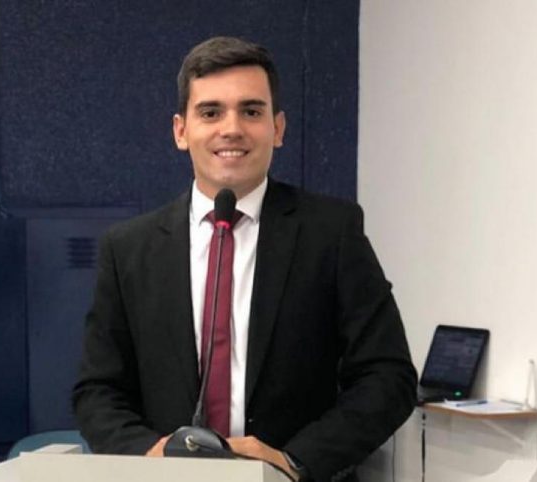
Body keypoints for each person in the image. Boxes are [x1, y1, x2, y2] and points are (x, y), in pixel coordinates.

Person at [72, 36, 417, 482]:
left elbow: (388, 377)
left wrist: (294, 461)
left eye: (251, 111)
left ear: (278, 128)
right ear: (181, 131)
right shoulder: (128, 249)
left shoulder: (332, 232)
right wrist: (147, 455)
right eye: (210, 112)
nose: (231, 129)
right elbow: (97, 390)